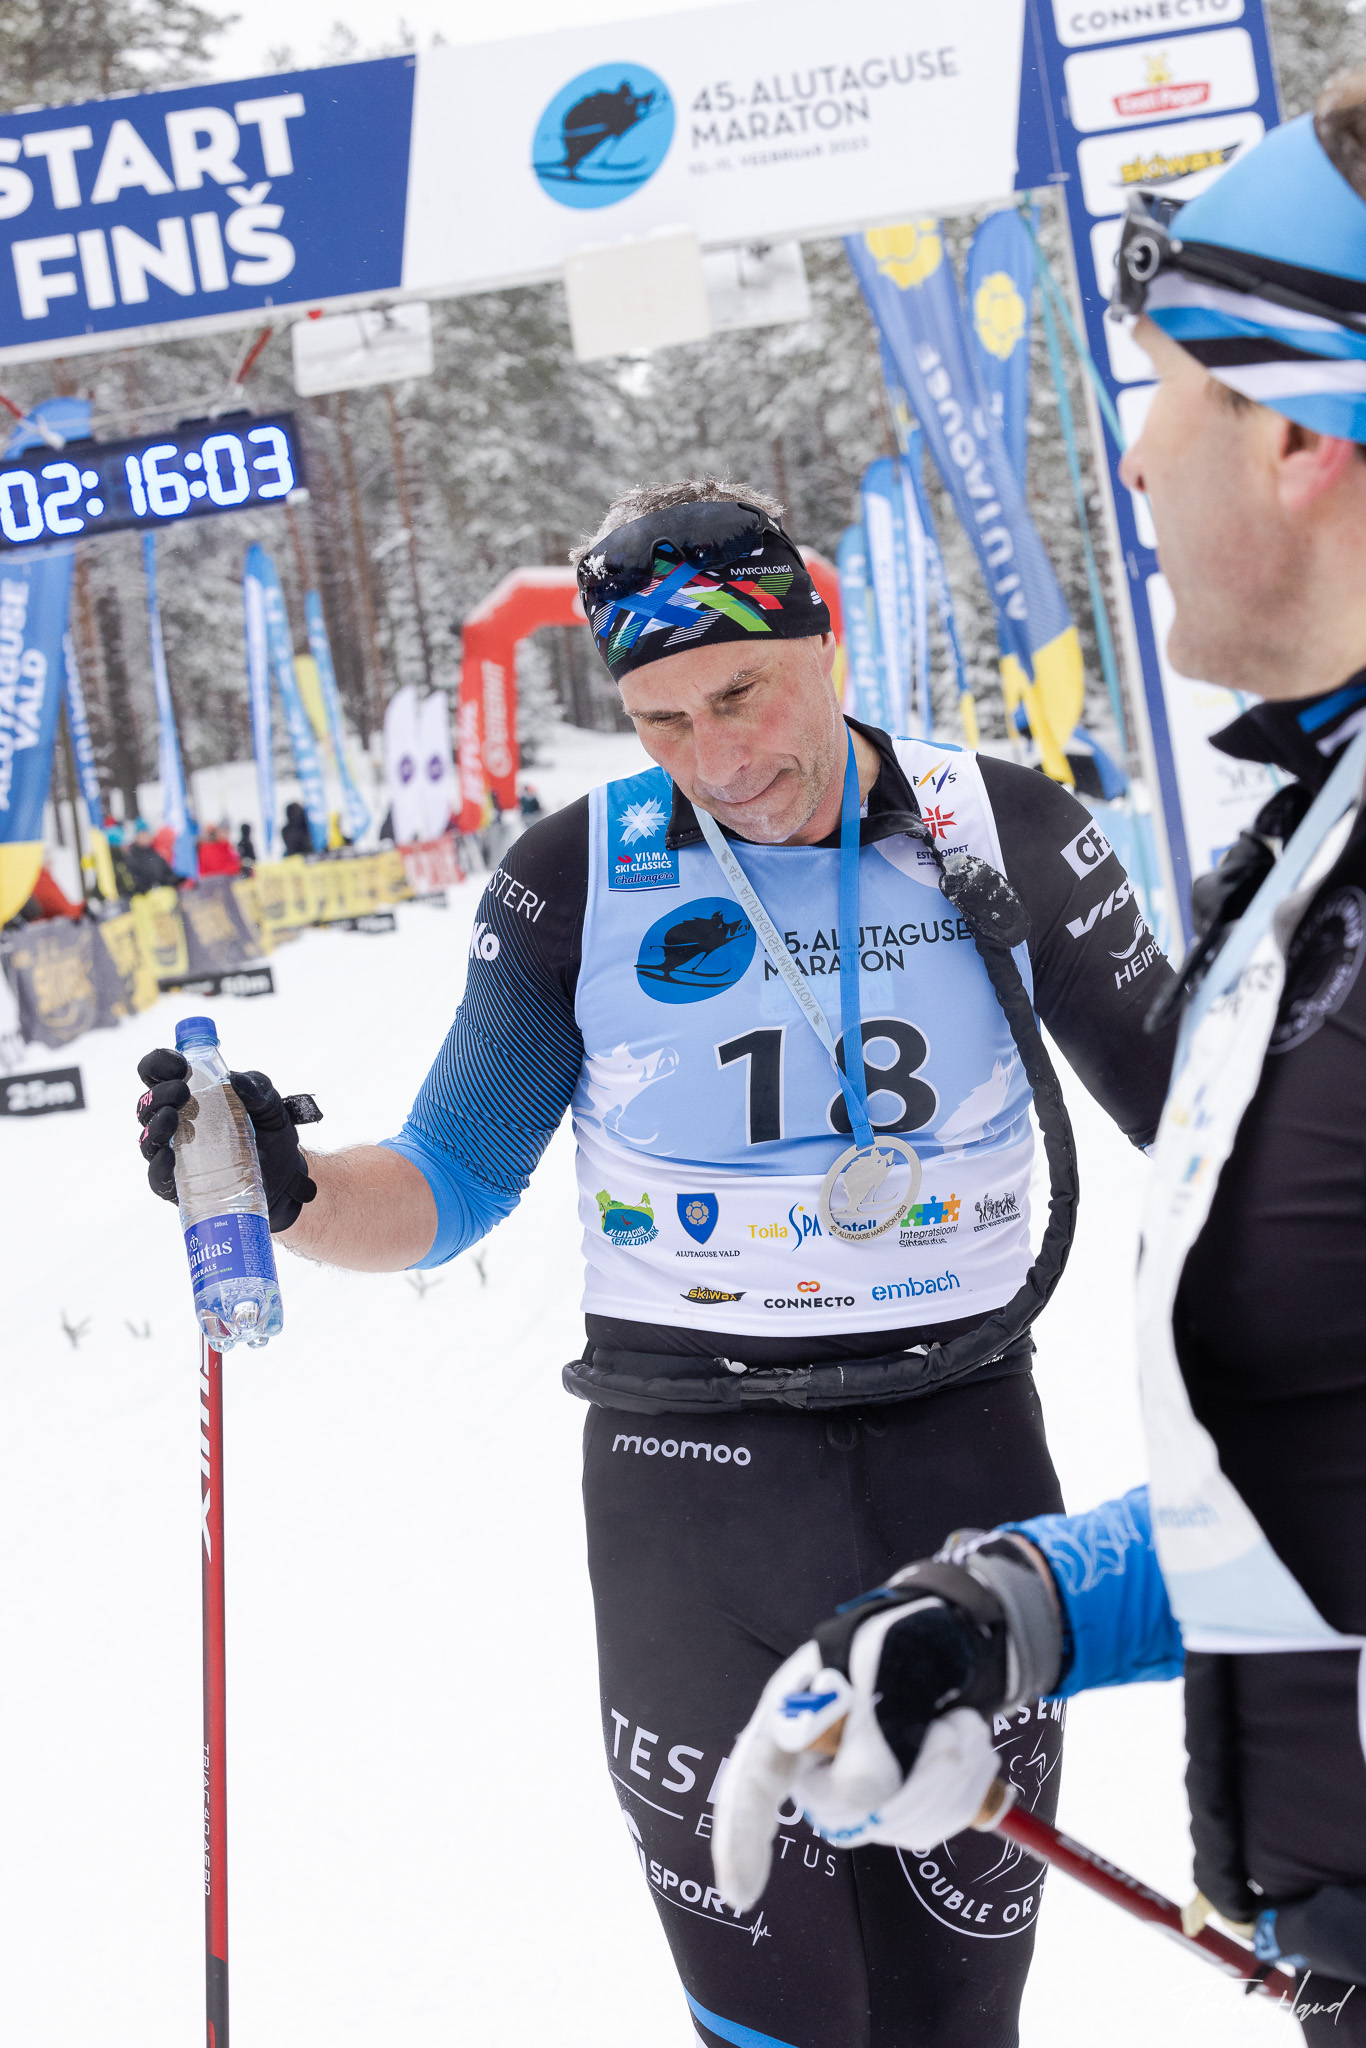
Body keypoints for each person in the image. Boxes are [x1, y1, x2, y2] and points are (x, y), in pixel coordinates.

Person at [132, 480, 1178, 2048]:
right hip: (691, 1496)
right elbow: (445, 1181)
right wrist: (283, 1190)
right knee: (769, 2019)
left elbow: (1213, 1120)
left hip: (956, 1450)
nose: (718, 761)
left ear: (823, 639)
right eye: (661, 721)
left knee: (956, 2015)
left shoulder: (1007, 829)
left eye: (741, 695)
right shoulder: (577, 875)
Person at [713, 79, 1366, 2045]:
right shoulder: (1319, 844)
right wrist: (1007, 1609)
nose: (1132, 457)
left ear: (1301, 434)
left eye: (1166, 389)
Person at [121, 820, 180, 895]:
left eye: (147, 835)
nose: (145, 838)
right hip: (140, 896)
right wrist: (147, 888)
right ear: (136, 837)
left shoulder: (156, 855)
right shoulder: (130, 856)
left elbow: (167, 875)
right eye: (142, 835)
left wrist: (177, 880)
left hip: (159, 895)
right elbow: (131, 880)